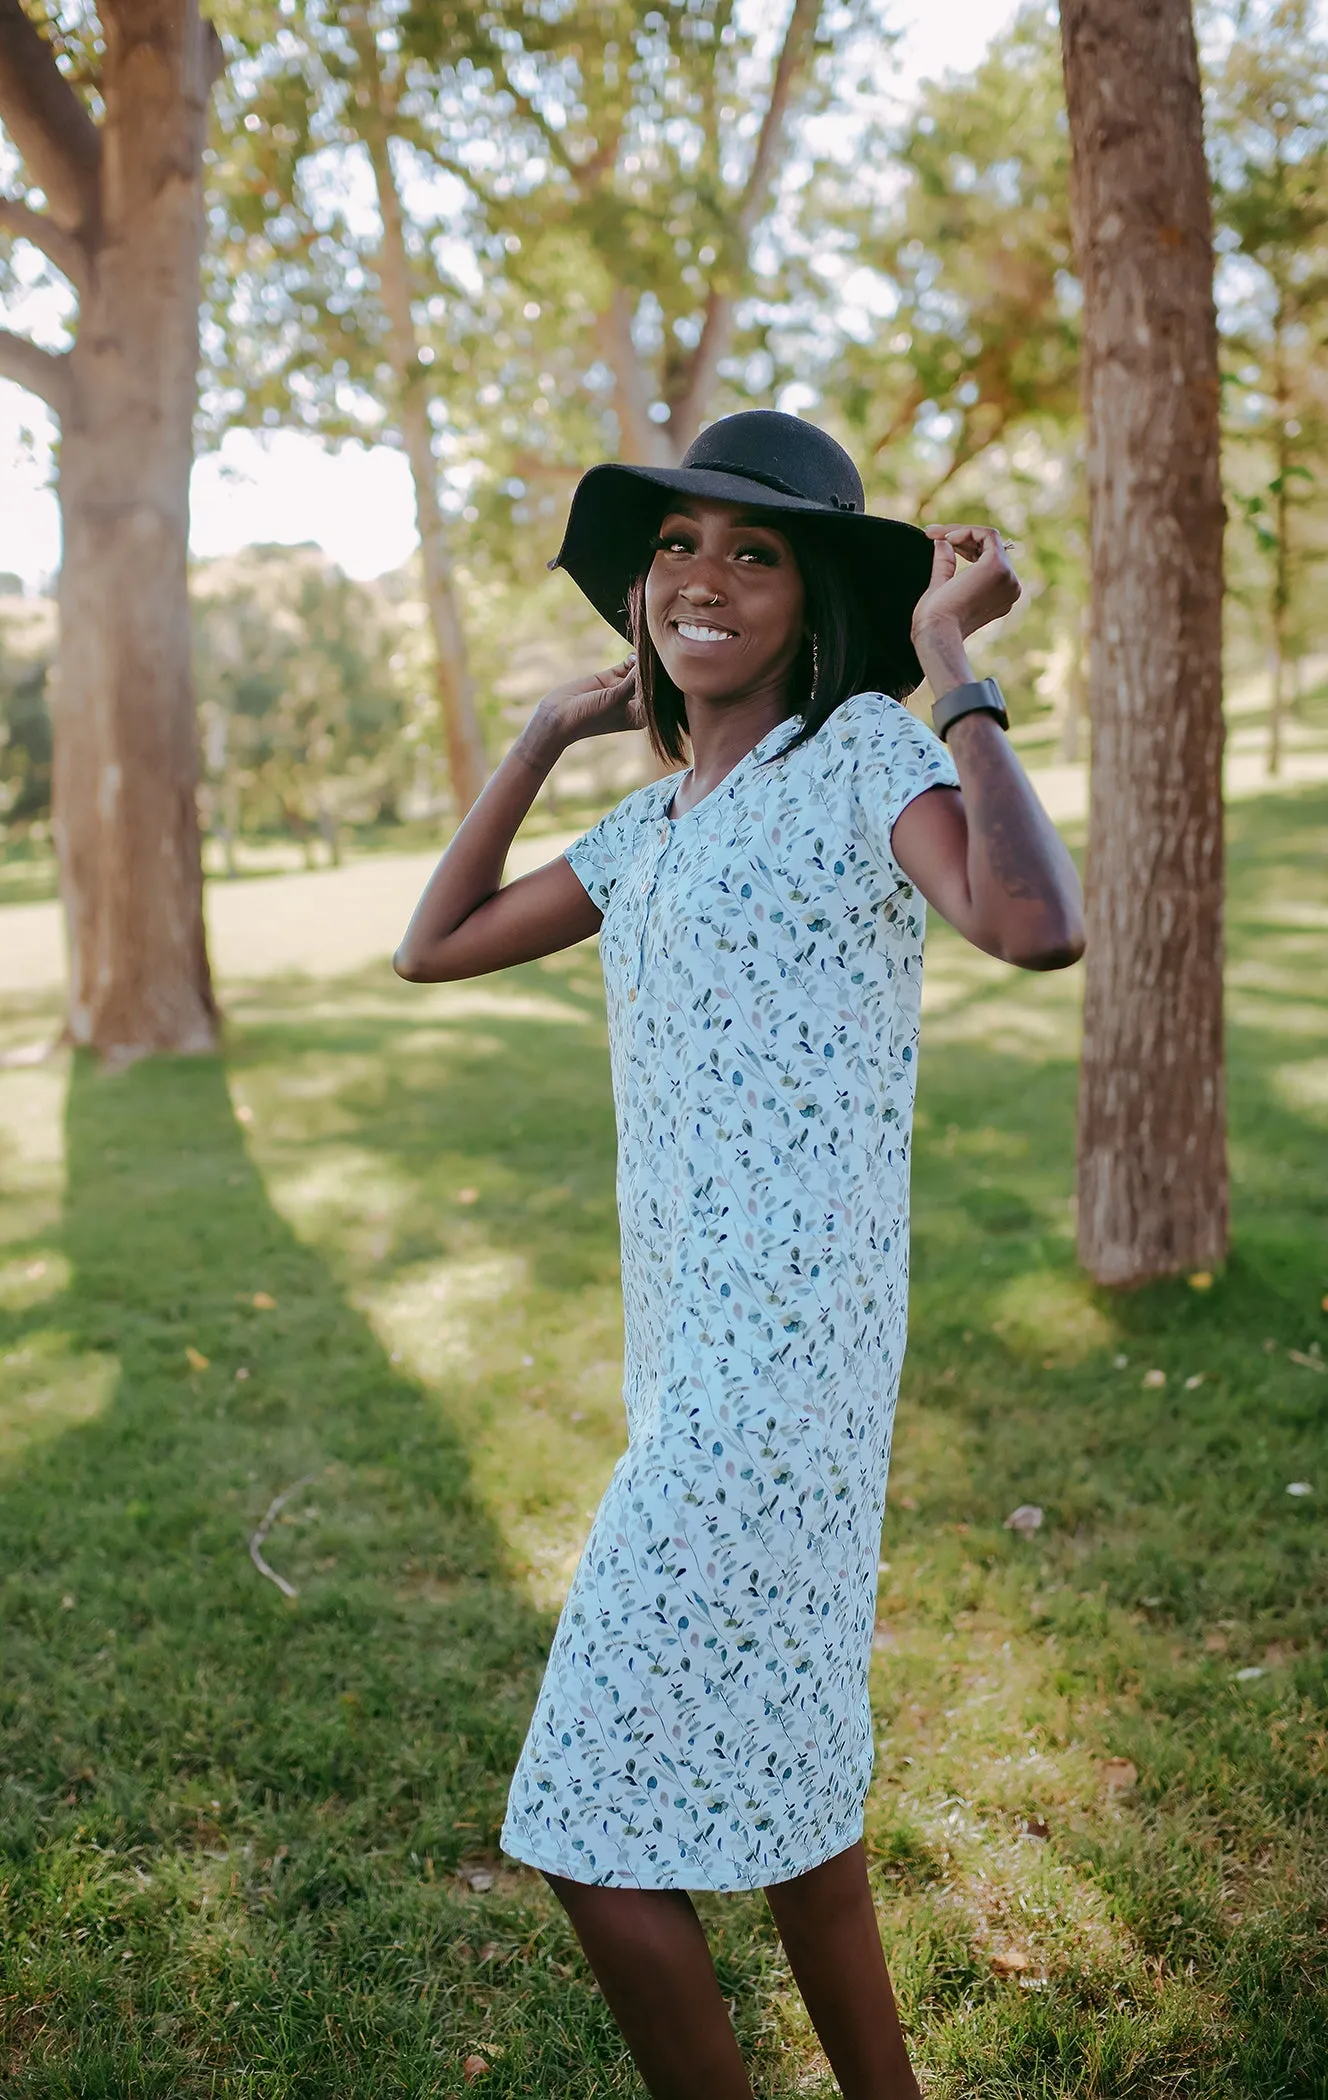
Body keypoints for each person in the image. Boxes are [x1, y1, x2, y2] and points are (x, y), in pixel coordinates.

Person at [394, 411, 1084, 2100]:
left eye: (753, 553)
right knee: (796, 1798)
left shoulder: (861, 754)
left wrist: (948, 671)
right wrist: (557, 723)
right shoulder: (648, 838)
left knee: (585, 1829)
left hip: (788, 1366)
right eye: (678, 547)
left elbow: (1033, 922)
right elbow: (435, 945)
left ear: (812, 599)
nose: (703, 578)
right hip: (688, 1356)